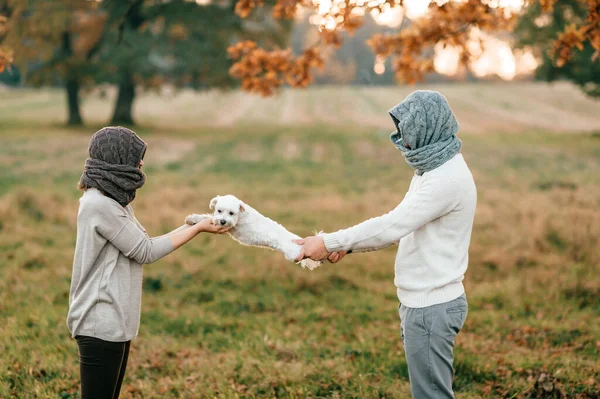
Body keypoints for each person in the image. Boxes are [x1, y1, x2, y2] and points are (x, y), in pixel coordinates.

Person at [295, 90, 477, 398]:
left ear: (426, 129)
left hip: (431, 307)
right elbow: (405, 227)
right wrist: (348, 246)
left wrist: (328, 242)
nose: (402, 142)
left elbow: (391, 226)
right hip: (423, 303)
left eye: (407, 133)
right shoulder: (433, 170)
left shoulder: (444, 179)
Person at [66, 126, 229, 399]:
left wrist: (192, 223)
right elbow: (145, 251)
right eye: (136, 156)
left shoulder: (114, 201)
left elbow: (144, 242)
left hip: (114, 322)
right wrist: (198, 229)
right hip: (99, 322)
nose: (141, 163)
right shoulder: (99, 205)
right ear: (117, 158)